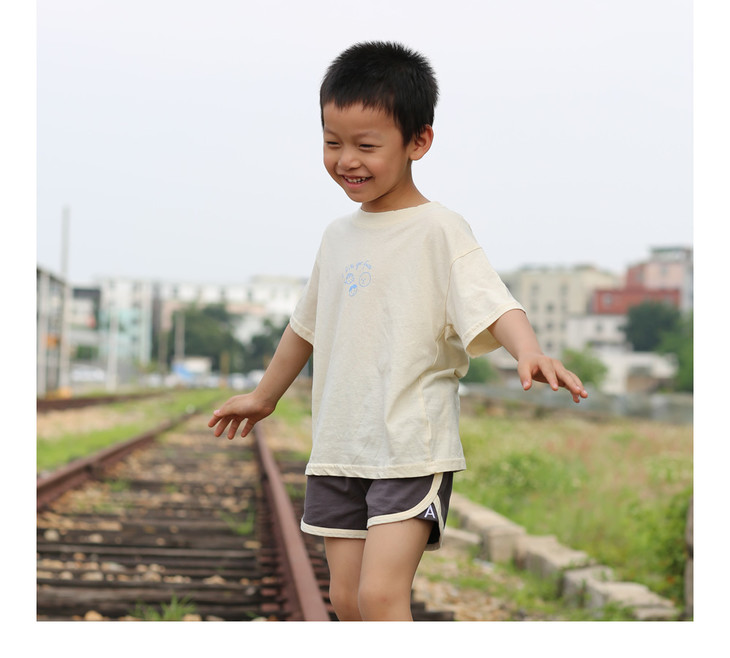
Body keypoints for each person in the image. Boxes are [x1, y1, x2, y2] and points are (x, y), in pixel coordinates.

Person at [208, 41, 588, 621]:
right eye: (332, 143)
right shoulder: (337, 237)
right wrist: (265, 396)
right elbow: (304, 328)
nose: (346, 160)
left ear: (418, 141)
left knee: (381, 597)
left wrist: (528, 350)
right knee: (347, 601)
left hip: (411, 444)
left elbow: (493, 304)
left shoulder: (439, 229)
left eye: (366, 146)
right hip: (339, 446)